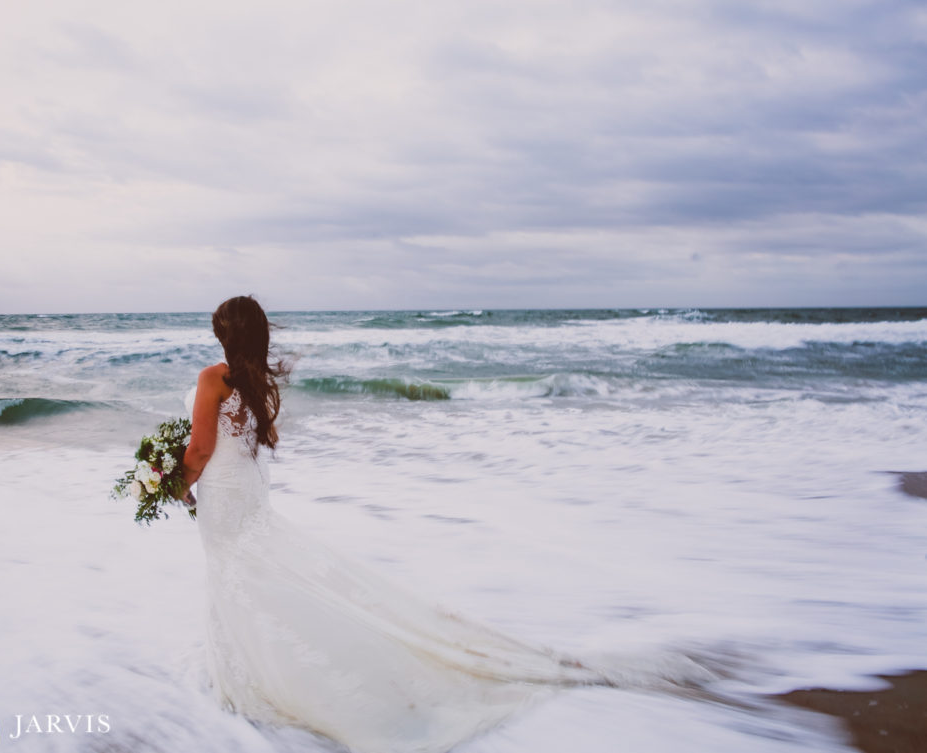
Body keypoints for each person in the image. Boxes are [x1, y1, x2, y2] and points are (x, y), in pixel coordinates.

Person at [178, 295, 707, 753]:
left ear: (226, 335)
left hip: (225, 496)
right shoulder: (254, 381)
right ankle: (263, 667)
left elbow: (201, 449)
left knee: (241, 575)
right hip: (244, 492)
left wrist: (170, 481)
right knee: (256, 575)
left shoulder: (212, 377)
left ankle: (265, 678)